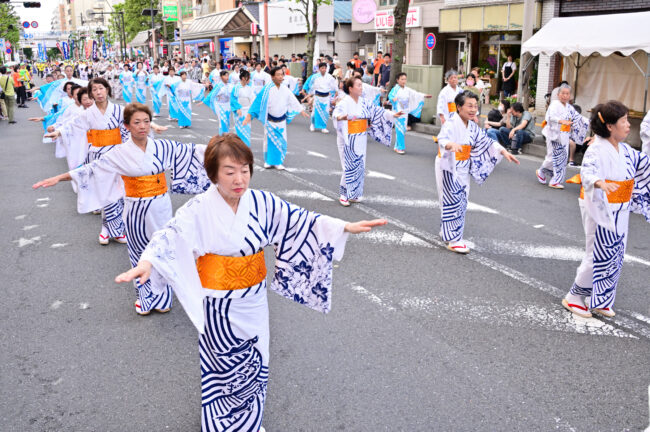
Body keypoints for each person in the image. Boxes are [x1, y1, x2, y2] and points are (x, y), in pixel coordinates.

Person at [114, 133, 388, 432]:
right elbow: (170, 234)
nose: (239, 179)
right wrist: (147, 262)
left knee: (257, 359)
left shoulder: (262, 202)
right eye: (229, 171)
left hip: (253, 300)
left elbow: (300, 220)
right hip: (216, 303)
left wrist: (342, 226)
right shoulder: (198, 208)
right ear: (213, 174)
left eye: (244, 170)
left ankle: (249, 422)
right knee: (222, 365)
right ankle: (219, 423)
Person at [34, 102, 211, 317]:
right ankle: (145, 297)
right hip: (135, 207)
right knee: (139, 252)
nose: (142, 126)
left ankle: (163, 296)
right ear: (126, 126)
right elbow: (92, 169)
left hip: (161, 205)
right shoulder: (119, 153)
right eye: (136, 122)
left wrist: (222, 148)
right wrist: (60, 177)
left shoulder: (163, 147)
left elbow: (193, 152)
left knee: (164, 249)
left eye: (146, 121)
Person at [44, 78, 167, 244]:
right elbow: (72, 126)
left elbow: (137, 119)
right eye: (94, 90)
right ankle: (109, 229)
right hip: (97, 155)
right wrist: (58, 132)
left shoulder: (119, 110)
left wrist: (153, 126)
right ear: (91, 93)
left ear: (107, 90)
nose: (98, 92)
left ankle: (110, 229)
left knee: (120, 191)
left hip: (118, 154)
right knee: (105, 191)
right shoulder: (88, 113)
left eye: (101, 88)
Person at [562, 101, 650, 319]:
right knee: (598, 252)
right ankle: (574, 296)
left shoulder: (626, 149)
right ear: (610, 126)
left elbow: (644, 164)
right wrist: (600, 183)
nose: (629, 125)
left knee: (616, 252)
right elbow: (588, 172)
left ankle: (601, 298)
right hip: (599, 204)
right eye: (624, 121)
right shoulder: (596, 148)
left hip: (620, 207)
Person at [435, 91, 520, 253]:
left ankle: (448, 233)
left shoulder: (473, 126)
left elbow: (487, 142)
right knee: (451, 198)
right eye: (469, 106)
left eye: (475, 106)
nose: (473, 109)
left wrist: (503, 151)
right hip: (448, 164)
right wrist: (450, 145)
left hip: (463, 164)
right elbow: (442, 139)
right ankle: (454, 239)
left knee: (462, 198)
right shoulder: (451, 123)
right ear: (459, 107)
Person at [333, 76, 402, 206]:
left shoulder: (364, 102)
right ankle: (344, 194)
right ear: (350, 88)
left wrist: (392, 115)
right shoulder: (344, 102)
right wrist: (340, 117)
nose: (361, 87)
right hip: (347, 138)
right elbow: (336, 113)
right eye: (358, 85)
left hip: (360, 137)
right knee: (348, 166)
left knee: (360, 165)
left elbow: (378, 111)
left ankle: (354, 194)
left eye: (361, 85)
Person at [243, 66, 309, 170]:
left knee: (281, 141)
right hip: (270, 121)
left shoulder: (285, 89)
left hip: (281, 120)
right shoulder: (267, 89)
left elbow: (293, 100)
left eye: (282, 74)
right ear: (272, 77)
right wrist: (249, 115)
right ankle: (268, 161)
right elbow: (257, 103)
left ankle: (278, 162)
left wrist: (300, 110)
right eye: (278, 74)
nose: (280, 77)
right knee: (268, 142)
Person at [537, 84, 587, 189]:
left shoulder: (570, 107)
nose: (565, 96)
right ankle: (542, 172)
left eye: (567, 94)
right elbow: (550, 117)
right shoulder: (554, 104)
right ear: (558, 94)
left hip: (564, 136)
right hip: (553, 135)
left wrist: (589, 122)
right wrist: (561, 121)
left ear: (570, 96)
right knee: (551, 157)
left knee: (562, 157)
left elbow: (578, 118)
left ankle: (554, 180)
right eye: (563, 93)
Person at [388, 72, 431, 154]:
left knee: (403, 129)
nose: (404, 81)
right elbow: (391, 96)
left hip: (405, 112)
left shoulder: (407, 89)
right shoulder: (395, 89)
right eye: (402, 79)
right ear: (397, 80)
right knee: (400, 129)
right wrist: (393, 99)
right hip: (398, 112)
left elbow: (416, 94)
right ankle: (400, 148)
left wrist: (424, 95)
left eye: (405, 79)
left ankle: (396, 146)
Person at [306, 62, 338, 134]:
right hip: (317, 96)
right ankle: (312, 124)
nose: (324, 69)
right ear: (319, 69)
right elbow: (311, 86)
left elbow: (334, 85)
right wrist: (310, 96)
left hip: (326, 97)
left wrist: (336, 91)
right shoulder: (315, 77)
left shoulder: (329, 77)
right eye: (322, 68)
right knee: (314, 112)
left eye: (325, 68)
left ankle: (323, 127)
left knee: (325, 113)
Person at [202, 70, 232, 135]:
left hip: (227, 105)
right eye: (225, 76)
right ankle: (222, 135)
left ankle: (226, 135)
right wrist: (205, 101)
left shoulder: (230, 85)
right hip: (220, 105)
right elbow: (212, 94)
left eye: (227, 75)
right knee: (222, 120)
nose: (227, 77)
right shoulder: (219, 86)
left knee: (227, 121)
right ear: (221, 77)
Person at [230, 69, 254, 146]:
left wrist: (252, 110)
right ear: (243, 78)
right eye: (248, 78)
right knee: (240, 127)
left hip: (247, 110)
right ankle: (239, 145)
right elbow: (233, 99)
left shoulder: (249, 88)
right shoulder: (236, 87)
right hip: (239, 110)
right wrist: (237, 108)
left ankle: (246, 145)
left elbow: (253, 99)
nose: (249, 80)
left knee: (247, 127)